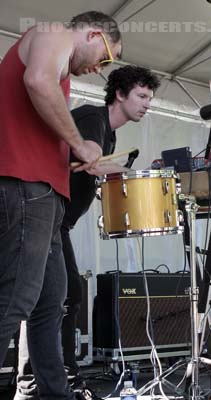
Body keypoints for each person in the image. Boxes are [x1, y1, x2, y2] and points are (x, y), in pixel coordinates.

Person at [14, 65, 161, 399]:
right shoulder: (95, 119)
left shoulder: (112, 134)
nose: (147, 104)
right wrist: (127, 169)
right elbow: (90, 158)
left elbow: (87, 170)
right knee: (50, 299)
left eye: (150, 98)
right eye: (141, 95)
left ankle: (40, 383)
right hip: (43, 216)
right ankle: (40, 382)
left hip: (56, 221)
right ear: (120, 94)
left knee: (54, 299)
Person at [0, 11, 121, 399]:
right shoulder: (53, 33)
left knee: (51, 301)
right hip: (25, 185)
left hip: (46, 198)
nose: (100, 69)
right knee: (16, 297)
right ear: (93, 33)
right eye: (105, 57)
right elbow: (36, 80)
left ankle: (51, 392)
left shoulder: (63, 70)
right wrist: (79, 142)